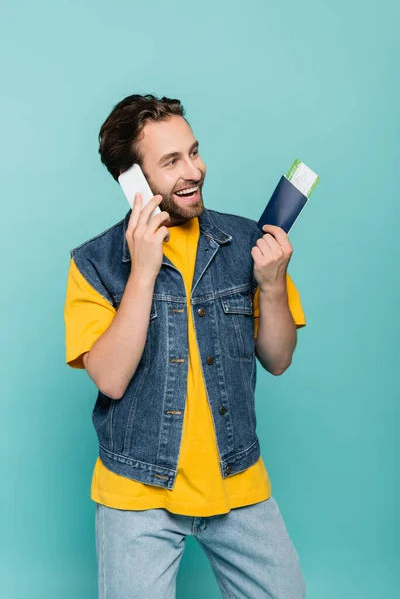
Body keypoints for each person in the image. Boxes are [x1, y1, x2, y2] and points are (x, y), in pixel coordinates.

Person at [64, 94, 307, 599]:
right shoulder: (95, 263)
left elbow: (279, 359)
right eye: (171, 161)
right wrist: (144, 270)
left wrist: (273, 285)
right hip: (137, 489)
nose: (193, 170)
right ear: (132, 180)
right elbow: (109, 377)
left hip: (236, 476)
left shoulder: (247, 243)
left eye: (193, 152)